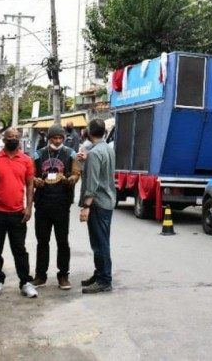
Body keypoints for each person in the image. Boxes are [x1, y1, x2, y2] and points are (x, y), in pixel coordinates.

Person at [0, 127, 37, 298]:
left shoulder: (26, 160)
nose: (13, 139)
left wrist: (29, 207)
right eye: (10, 137)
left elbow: (30, 185)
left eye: (16, 136)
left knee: (20, 249)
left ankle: (25, 282)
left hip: (17, 213)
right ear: (4, 139)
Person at [33, 124, 78, 290]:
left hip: (62, 204)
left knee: (62, 241)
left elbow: (76, 173)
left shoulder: (70, 153)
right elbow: (30, 174)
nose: (57, 141)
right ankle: (40, 275)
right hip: (43, 204)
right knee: (42, 241)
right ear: (49, 138)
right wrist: (35, 180)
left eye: (60, 138)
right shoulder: (39, 154)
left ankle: (63, 275)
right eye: (54, 138)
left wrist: (70, 179)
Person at [78, 118, 115, 294]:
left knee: (99, 243)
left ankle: (104, 280)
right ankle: (100, 273)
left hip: (98, 203)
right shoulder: (107, 149)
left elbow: (92, 183)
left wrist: (86, 206)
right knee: (102, 241)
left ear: (89, 132)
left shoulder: (94, 153)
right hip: (107, 201)